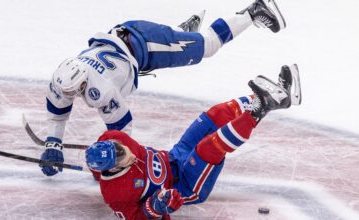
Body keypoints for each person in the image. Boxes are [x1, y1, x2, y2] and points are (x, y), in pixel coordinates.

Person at [40, 0, 287, 176]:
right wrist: (53, 143)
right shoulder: (63, 78)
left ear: (84, 81)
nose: (71, 96)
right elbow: (58, 110)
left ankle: (253, 12)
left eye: (75, 91)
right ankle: (182, 34)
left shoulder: (101, 89)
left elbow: (122, 127)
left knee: (209, 46)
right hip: (126, 43)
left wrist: (112, 159)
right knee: (186, 43)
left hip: (147, 45)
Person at [85, 65, 302, 220]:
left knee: (214, 116)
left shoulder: (112, 139)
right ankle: (259, 110)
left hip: (175, 155)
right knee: (209, 147)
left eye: (120, 148)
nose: (126, 152)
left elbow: (99, 167)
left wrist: (93, 167)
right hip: (185, 185)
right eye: (121, 156)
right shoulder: (115, 194)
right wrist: (157, 207)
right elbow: (136, 217)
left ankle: (276, 99)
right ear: (114, 168)